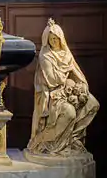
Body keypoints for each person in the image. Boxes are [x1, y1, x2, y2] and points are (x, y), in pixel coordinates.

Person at [27, 19, 99, 156]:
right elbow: (53, 80)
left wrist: (81, 86)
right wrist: (68, 82)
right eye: (51, 39)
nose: (54, 41)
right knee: (70, 112)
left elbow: (78, 75)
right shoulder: (45, 56)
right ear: (47, 40)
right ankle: (52, 144)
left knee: (93, 105)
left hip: (71, 90)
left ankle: (73, 139)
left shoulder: (66, 54)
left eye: (56, 38)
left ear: (61, 39)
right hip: (52, 95)